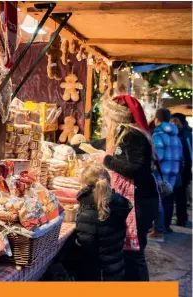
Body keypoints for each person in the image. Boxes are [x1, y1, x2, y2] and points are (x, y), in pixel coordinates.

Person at [73, 94, 159, 281]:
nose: (105, 119)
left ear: (116, 115)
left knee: (134, 255)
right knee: (129, 254)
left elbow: (137, 169)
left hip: (140, 202)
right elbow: (104, 146)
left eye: (106, 115)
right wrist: (79, 146)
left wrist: (106, 159)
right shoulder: (124, 133)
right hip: (138, 200)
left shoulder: (133, 136)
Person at [73, 165, 132, 281]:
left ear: (85, 185)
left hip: (97, 273)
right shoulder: (118, 204)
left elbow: (85, 245)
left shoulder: (88, 211)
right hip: (115, 268)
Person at [149, 109, 183, 238]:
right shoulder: (175, 135)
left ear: (157, 119)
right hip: (172, 173)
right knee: (165, 201)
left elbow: (158, 157)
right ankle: (162, 227)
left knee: (157, 201)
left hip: (160, 173)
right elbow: (180, 156)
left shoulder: (158, 135)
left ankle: (158, 230)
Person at [170, 114, 192, 227]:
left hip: (182, 171)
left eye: (175, 122)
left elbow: (188, 155)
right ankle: (181, 218)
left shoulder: (184, 135)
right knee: (179, 196)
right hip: (181, 170)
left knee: (180, 196)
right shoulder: (184, 134)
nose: (173, 124)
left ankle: (181, 219)